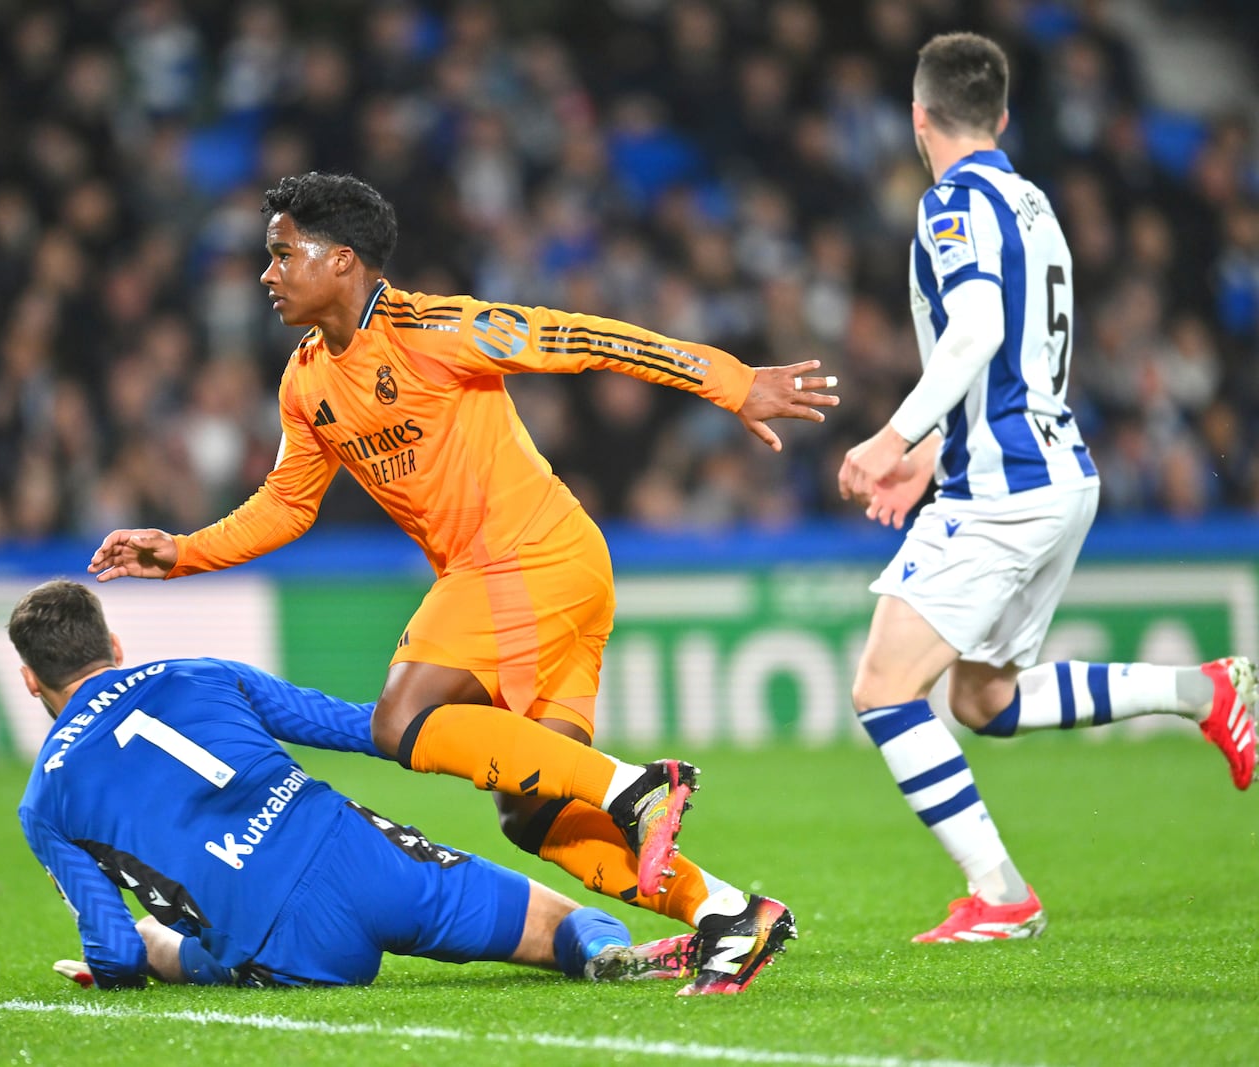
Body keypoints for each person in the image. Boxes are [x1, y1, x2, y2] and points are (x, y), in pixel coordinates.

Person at [89, 171, 828, 993]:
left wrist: (731, 381)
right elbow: (288, 504)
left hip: (529, 557)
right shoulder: (306, 380)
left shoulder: (437, 327)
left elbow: (580, 337)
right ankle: (730, 913)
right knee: (535, 812)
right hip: (545, 580)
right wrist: (182, 552)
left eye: (280, 254)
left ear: (340, 261)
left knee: (402, 720)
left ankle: (636, 785)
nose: (266, 273)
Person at [838, 32, 1256, 944]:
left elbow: (981, 324)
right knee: (984, 700)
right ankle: (1207, 691)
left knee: (882, 688)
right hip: (1056, 473)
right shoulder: (1033, 202)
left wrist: (894, 433)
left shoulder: (950, 202)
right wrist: (933, 448)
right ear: (1003, 116)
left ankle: (999, 892)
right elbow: (1021, 347)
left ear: (917, 118)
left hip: (1004, 488)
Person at [7, 578, 717, 992]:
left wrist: (115, 964)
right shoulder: (201, 673)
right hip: (362, 853)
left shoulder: (46, 797)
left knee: (154, 938)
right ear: (115, 646)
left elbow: (118, 955)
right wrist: (483, 744)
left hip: (278, 939)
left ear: (31, 680)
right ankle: (601, 953)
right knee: (559, 921)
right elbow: (364, 726)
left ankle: (202, 949)